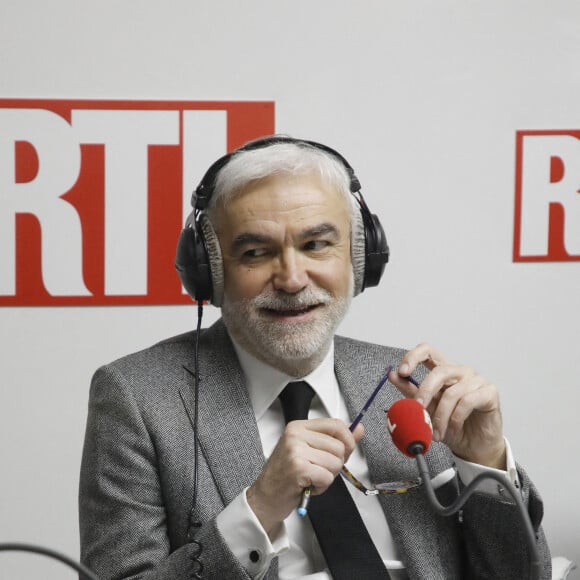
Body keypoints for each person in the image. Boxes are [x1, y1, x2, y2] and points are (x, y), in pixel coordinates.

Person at [79, 136, 551, 579]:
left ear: (359, 258)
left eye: (316, 245)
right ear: (211, 272)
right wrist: (257, 510)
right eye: (256, 252)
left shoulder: (411, 384)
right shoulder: (139, 398)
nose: (291, 278)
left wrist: (485, 463)